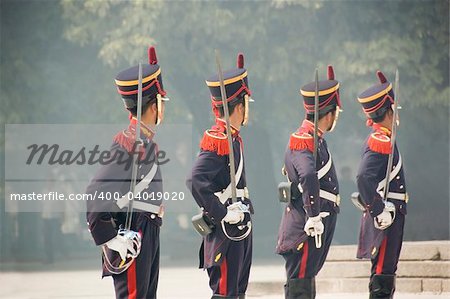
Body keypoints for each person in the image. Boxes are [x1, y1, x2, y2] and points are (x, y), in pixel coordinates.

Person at [85, 46, 169, 298]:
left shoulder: (144, 141)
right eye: (161, 101)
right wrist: (110, 239)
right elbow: (95, 191)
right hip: (133, 231)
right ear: (153, 105)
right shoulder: (128, 143)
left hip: (148, 230)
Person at [187, 53, 254, 299]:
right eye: (247, 103)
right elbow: (195, 179)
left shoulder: (233, 137)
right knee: (226, 293)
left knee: (236, 293)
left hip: (238, 228)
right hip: (226, 230)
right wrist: (223, 212)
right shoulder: (219, 139)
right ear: (239, 105)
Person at [276, 66, 342, 299]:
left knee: (304, 283)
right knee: (300, 286)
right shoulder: (304, 139)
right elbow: (307, 175)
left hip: (313, 225)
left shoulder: (317, 140)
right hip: (306, 226)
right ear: (329, 113)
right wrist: (313, 214)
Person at [356, 71, 408, 299]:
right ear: (388, 111)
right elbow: (363, 177)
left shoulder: (386, 139)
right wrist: (378, 209)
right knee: (381, 274)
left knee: (386, 273)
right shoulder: (381, 140)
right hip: (386, 217)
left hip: (391, 215)